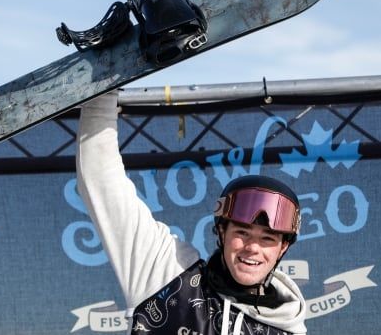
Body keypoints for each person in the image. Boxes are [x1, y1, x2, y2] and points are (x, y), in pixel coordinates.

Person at [76, 91, 306, 335]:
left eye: (267, 238)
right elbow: (101, 180)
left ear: (283, 248)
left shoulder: (288, 330)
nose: (252, 247)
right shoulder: (169, 275)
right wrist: (103, 88)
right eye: (242, 232)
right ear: (221, 231)